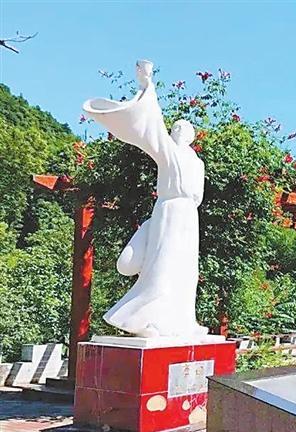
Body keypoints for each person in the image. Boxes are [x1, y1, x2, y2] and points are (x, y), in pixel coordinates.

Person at [83, 60, 208, 339]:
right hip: (170, 210)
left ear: (191, 136)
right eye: (175, 128)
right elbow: (154, 125)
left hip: (189, 215)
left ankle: (183, 321)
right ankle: (142, 318)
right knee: (162, 264)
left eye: (183, 128)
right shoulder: (169, 152)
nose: (177, 131)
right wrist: (147, 84)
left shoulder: (196, 162)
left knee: (186, 270)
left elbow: (198, 194)